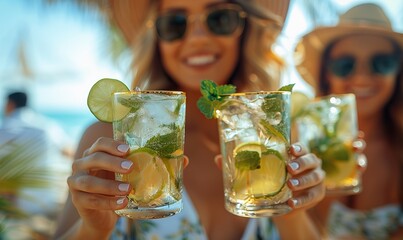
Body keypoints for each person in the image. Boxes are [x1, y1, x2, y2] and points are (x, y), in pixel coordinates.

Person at [54, 0, 326, 239]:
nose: (197, 38)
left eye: (219, 19)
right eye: (175, 23)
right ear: (157, 39)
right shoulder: (110, 140)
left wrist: (291, 212)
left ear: (244, 32)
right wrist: (92, 230)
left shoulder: (274, 136)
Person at [294, 3, 403, 239]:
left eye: (381, 63)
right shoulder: (299, 146)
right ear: (326, 73)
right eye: (345, 65)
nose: (362, 76)